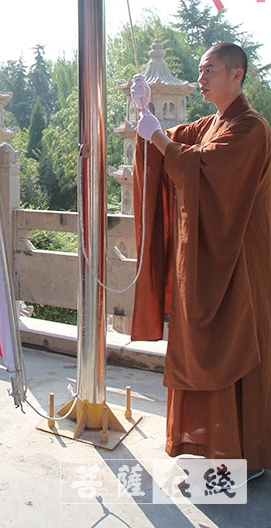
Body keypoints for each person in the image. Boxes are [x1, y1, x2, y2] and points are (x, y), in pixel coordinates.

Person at [130, 42, 271, 480]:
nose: (202, 76)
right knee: (202, 348)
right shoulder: (212, 123)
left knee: (235, 346)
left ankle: (245, 455)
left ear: (237, 75)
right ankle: (211, 444)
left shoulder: (251, 128)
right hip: (207, 260)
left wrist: (155, 134)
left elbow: (200, 168)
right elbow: (170, 145)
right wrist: (145, 112)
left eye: (211, 69)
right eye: (201, 69)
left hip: (239, 263)